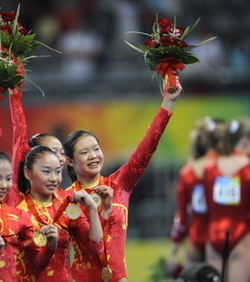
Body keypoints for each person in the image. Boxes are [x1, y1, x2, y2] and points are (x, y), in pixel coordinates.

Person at [63, 78, 182, 282]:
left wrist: (168, 102)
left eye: (96, 149)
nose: (93, 155)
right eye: (84, 152)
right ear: (70, 161)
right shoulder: (65, 199)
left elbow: (147, 147)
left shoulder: (120, 184)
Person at [0, 148, 59, 281]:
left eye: (8, 178)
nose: (4, 185)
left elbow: (37, 264)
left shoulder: (21, 216)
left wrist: (50, 246)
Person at [16, 145, 104, 281]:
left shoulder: (67, 202)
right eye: (46, 172)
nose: (54, 178)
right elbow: (35, 265)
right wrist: (50, 246)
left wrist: (92, 209)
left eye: (58, 172)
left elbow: (96, 247)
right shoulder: (20, 212)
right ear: (28, 173)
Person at [167, 117, 226, 276]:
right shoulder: (227, 167)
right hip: (222, 232)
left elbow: (182, 215)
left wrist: (174, 248)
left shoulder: (188, 171)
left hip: (196, 235)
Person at [204, 117, 250, 282]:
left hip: (212, 234)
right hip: (241, 235)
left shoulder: (210, 168)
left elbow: (205, 207)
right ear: (246, 141)